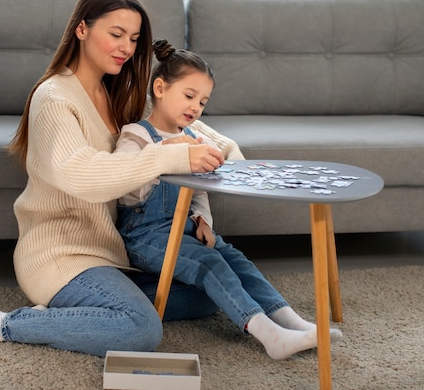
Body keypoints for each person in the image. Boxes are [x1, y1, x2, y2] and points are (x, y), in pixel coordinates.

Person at [0, 0, 240, 357]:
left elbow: (199, 133)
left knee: (209, 291)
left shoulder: (121, 94)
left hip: (113, 253)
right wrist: (169, 155)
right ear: (82, 29)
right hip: (62, 254)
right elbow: (80, 175)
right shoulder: (54, 97)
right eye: (115, 34)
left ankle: (85, 313)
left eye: (133, 37)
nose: (126, 47)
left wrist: (231, 159)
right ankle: (4, 324)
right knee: (141, 330)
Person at [115, 39, 343, 360]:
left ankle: (292, 321)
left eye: (203, 102)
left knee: (235, 259)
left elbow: (199, 188)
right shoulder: (135, 135)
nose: (195, 107)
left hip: (186, 229)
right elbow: (125, 186)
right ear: (160, 88)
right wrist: (167, 152)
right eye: (189, 96)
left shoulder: (195, 137)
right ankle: (269, 334)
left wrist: (202, 220)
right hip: (145, 236)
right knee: (210, 264)